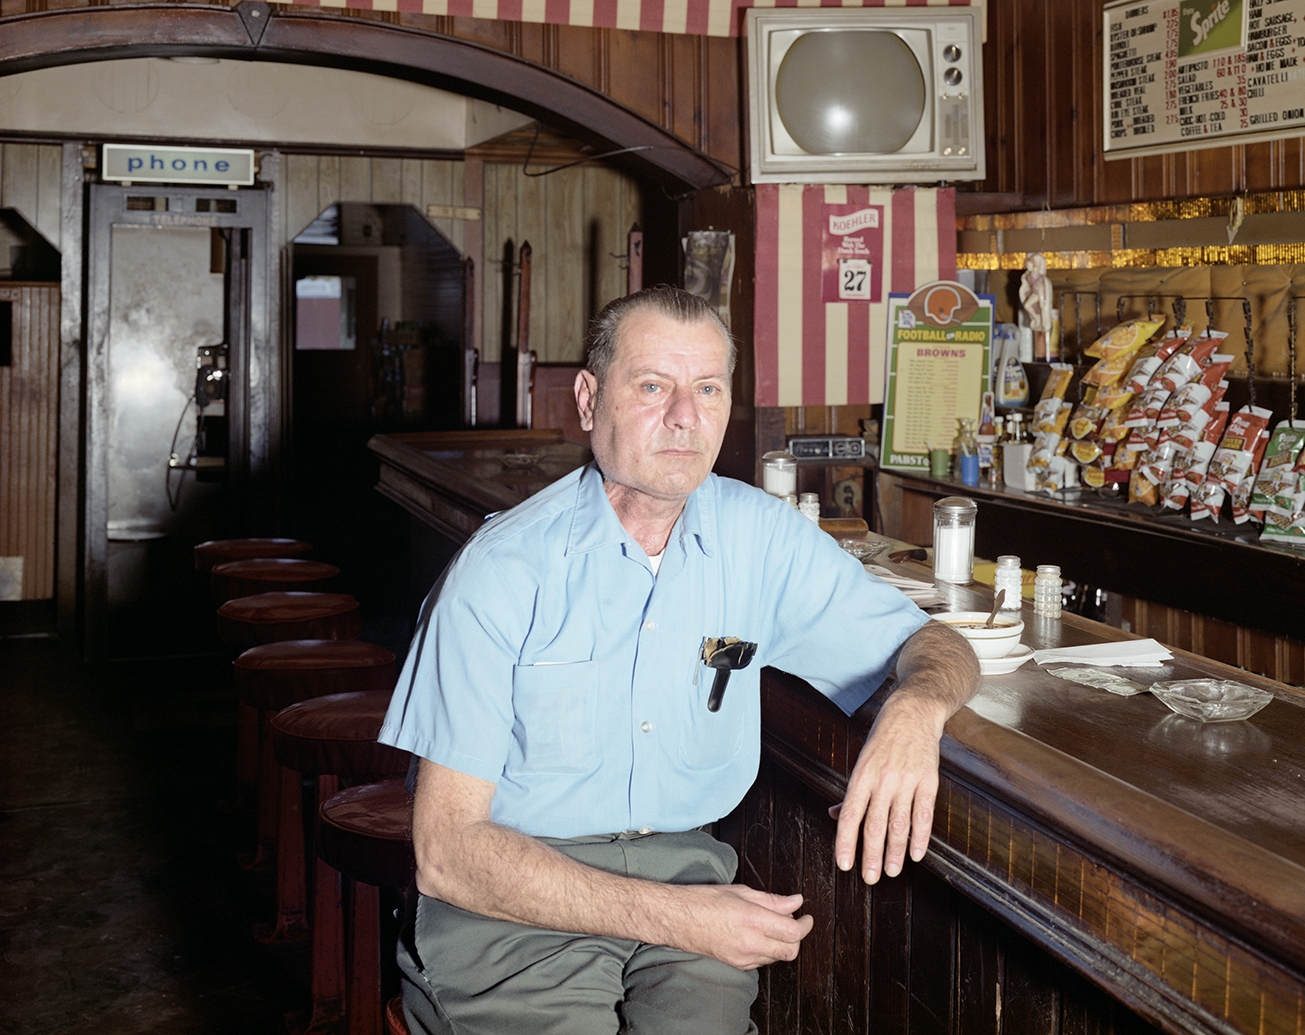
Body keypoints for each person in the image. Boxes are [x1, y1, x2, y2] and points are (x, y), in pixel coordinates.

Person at [380, 285, 980, 1035]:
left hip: (686, 881)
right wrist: (680, 917)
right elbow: (447, 853)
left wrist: (916, 709)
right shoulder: (501, 570)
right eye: (653, 386)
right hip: (513, 903)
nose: (684, 417)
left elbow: (935, 645)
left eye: (706, 389)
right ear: (589, 399)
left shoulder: (760, 537)